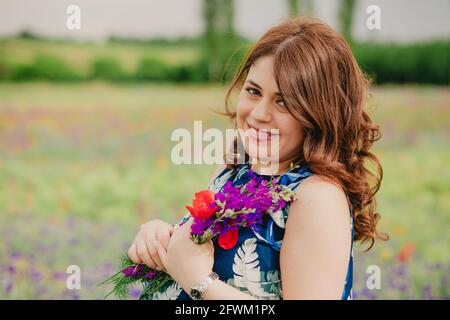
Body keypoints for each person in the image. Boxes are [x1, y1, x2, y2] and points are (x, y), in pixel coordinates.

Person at [128, 16, 387, 300]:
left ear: (319, 114)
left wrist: (201, 283)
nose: (259, 113)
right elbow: (200, 253)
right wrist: (161, 238)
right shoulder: (235, 171)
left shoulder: (316, 196)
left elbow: (197, 273)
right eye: (253, 91)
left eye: (284, 102)